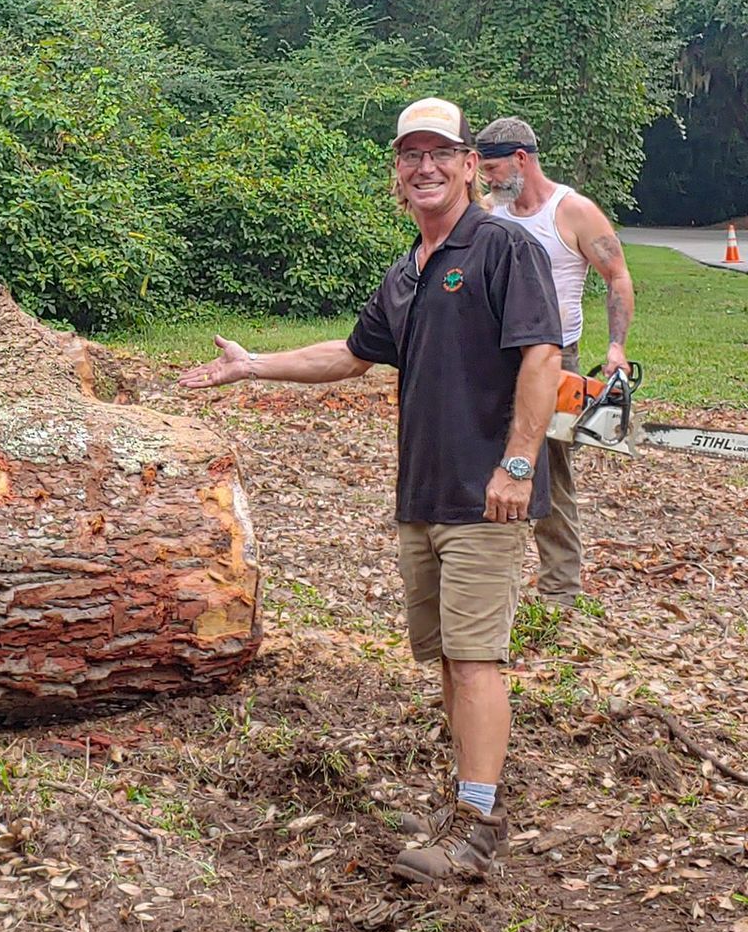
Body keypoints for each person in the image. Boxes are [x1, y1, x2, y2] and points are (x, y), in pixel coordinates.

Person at [178, 97, 562, 885]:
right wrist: (254, 365)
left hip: (487, 493)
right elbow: (351, 355)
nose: (423, 166)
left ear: (465, 162)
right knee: (449, 663)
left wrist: (516, 465)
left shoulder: (500, 249)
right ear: (397, 170)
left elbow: (543, 357)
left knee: (476, 657)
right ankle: (464, 801)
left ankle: (478, 828)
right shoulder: (407, 271)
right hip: (423, 496)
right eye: (408, 154)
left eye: (438, 152)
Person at [474, 116, 635, 608]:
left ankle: (560, 593)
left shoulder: (574, 213)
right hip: (491, 355)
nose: (489, 180)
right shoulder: (490, 213)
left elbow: (618, 277)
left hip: (552, 357)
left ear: (522, 159)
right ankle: (488, 587)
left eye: (495, 169)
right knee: (486, 465)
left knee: (550, 473)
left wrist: (615, 347)